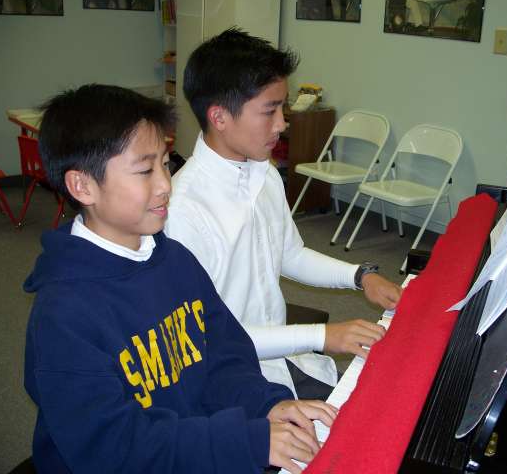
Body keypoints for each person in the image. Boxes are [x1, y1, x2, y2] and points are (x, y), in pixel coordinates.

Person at [23, 84, 336, 474]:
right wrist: (243, 441)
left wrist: (266, 404)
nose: (165, 185)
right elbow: (113, 447)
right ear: (82, 186)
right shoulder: (63, 314)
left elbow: (225, 354)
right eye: (145, 170)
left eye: (165, 164)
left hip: (195, 447)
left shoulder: (174, 259)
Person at [165, 28, 403, 400]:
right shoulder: (183, 211)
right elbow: (204, 338)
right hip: (228, 382)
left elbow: (289, 254)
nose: (282, 123)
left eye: (282, 107)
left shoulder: (264, 173)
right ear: (220, 117)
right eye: (269, 110)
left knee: (383, 394)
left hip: (280, 358)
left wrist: (360, 277)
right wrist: (321, 336)